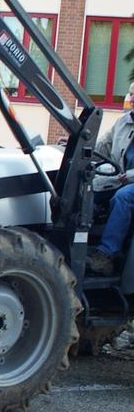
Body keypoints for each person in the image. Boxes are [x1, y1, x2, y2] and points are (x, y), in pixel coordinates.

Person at [88, 81, 134, 275]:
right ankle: (78, 242)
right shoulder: (123, 122)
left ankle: (107, 254)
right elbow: (102, 146)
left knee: (123, 197)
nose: (131, 99)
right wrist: (80, 144)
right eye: (130, 94)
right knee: (87, 188)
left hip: (128, 182)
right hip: (121, 177)